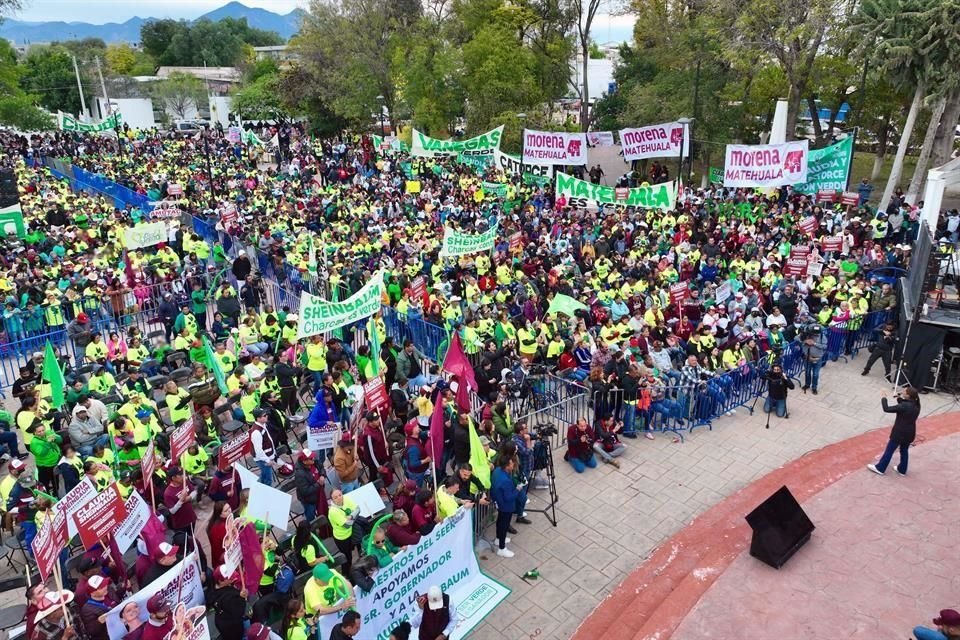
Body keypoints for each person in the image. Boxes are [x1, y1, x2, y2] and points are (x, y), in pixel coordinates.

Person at [867, 386, 920, 476]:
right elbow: (903, 406)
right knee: (904, 450)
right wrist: (899, 398)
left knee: (890, 450)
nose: (903, 392)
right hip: (910, 432)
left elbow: (886, 408)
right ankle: (902, 469)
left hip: (899, 432)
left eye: (904, 392)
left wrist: (884, 397)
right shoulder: (917, 404)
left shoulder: (904, 406)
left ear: (908, 395)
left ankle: (880, 468)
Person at [490, 456, 523, 558]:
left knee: (500, 521)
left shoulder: (497, 471)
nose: (513, 464)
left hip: (499, 502)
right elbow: (509, 497)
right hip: (506, 505)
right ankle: (502, 548)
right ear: (507, 466)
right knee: (504, 525)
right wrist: (518, 489)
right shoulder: (505, 481)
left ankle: (498, 539)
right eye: (511, 463)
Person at [208, 565, 248, 640]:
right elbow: (240, 611)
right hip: (232, 627)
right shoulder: (228, 599)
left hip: (222, 622)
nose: (233, 579)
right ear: (221, 581)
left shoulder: (214, 589)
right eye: (229, 578)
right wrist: (243, 598)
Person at [328, 489, 357, 575]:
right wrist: (354, 516)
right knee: (347, 558)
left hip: (350, 532)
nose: (339, 498)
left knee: (352, 551)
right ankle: (346, 574)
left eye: (340, 495)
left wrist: (351, 516)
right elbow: (347, 525)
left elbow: (358, 509)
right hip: (342, 538)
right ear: (332, 500)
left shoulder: (345, 499)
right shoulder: (333, 511)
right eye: (335, 497)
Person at [294, 449, 327, 522]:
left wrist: (322, 475)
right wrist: (318, 484)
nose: (313, 458)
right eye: (311, 458)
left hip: (319, 495)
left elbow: (321, 468)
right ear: (305, 461)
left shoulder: (314, 462)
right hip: (309, 501)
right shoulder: (300, 474)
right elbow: (305, 491)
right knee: (311, 519)